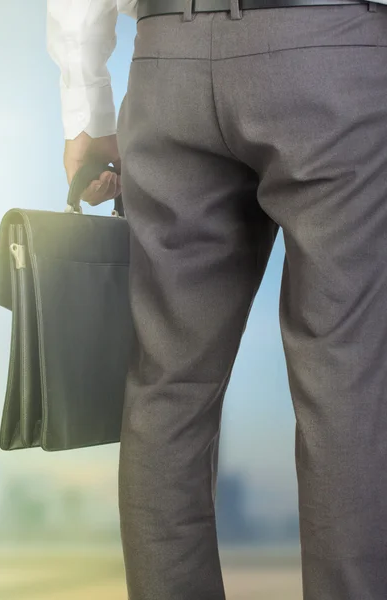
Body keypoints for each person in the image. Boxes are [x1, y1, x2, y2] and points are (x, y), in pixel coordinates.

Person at [46, 0, 387, 598]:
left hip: (167, 62)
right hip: (331, 50)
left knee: (168, 386)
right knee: (345, 377)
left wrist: (85, 110)